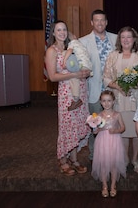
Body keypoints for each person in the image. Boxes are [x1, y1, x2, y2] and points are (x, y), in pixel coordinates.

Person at [103, 26, 138, 173]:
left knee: (136, 132)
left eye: (129, 37)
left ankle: (135, 160)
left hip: (136, 99)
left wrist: (134, 85)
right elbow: (106, 77)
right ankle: (124, 159)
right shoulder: (113, 55)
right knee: (123, 132)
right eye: (123, 37)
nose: (126, 40)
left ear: (134, 39)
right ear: (119, 39)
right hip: (119, 99)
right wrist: (120, 87)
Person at [45, 20, 91, 176]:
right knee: (67, 126)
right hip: (66, 94)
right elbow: (52, 76)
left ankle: (74, 159)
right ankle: (63, 160)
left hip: (81, 91)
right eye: (58, 30)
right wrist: (74, 75)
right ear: (53, 33)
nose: (62, 32)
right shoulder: (52, 51)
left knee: (77, 125)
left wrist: (83, 72)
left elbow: (82, 61)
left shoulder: (71, 47)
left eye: (64, 29)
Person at [79, 9, 117, 161]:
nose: (100, 23)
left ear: (106, 22)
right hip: (94, 91)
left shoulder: (116, 39)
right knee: (94, 124)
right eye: (96, 20)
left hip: (113, 90)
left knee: (112, 124)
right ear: (91, 22)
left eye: (102, 20)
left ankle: (112, 154)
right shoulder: (83, 42)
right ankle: (94, 155)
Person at [91, 90, 126, 198]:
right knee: (104, 164)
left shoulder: (117, 114)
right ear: (100, 102)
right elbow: (95, 130)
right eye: (104, 101)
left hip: (114, 140)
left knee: (114, 163)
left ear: (113, 101)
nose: (106, 103)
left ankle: (113, 185)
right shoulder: (98, 116)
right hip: (102, 141)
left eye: (109, 101)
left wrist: (116, 130)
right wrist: (95, 130)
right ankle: (104, 185)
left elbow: (123, 127)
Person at [63, 33, 93, 111]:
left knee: (74, 78)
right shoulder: (80, 44)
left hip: (83, 65)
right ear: (75, 36)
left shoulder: (72, 43)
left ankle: (76, 99)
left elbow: (69, 51)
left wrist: (64, 60)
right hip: (89, 65)